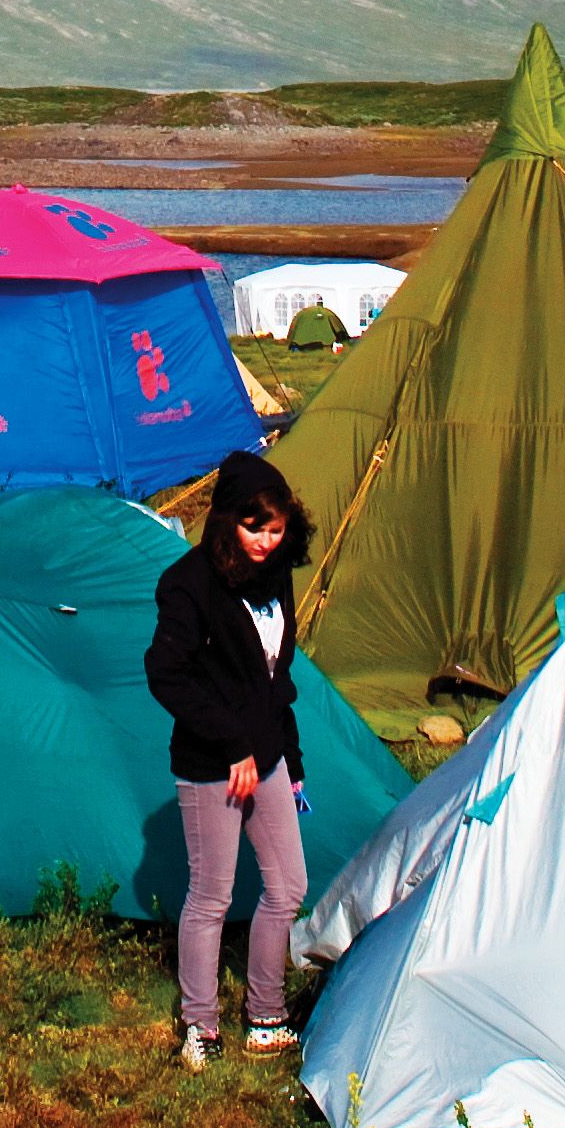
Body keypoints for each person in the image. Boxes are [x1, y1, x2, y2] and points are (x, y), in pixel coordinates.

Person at [145, 450, 316, 1068]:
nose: (266, 542)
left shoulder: (274, 578)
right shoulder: (187, 584)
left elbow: (276, 681)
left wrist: (288, 760)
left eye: (276, 530)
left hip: (265, 757)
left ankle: (265, 1015)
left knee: (288, 885)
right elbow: (167, 674)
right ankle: (201, 1026)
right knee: (212, 895)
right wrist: (231, 743)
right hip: (210, 762)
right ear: (225, 522)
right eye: (253, 528)